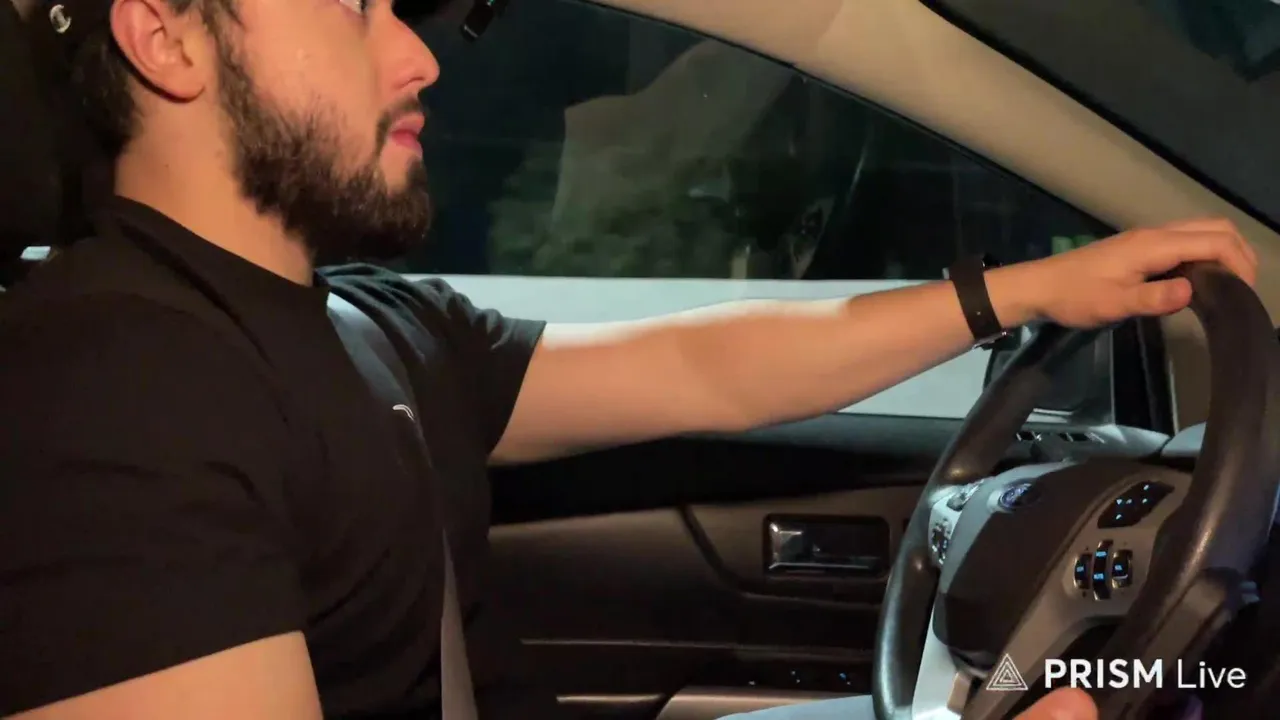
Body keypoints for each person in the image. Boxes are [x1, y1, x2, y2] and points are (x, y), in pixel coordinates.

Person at [0, 0, 1253, 718]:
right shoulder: (103, 396)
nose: (416, 54)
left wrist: (1021, 292)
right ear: (166, 37)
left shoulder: (361, 328)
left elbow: (710, 369)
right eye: (347, 5)